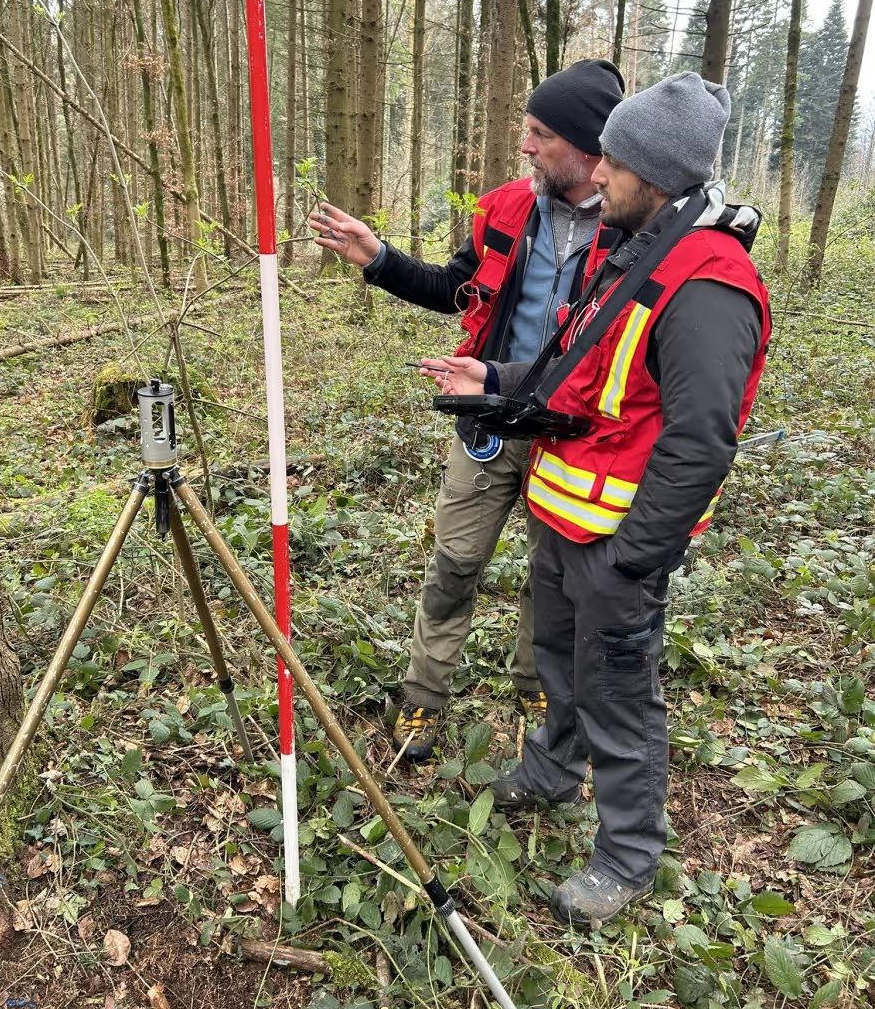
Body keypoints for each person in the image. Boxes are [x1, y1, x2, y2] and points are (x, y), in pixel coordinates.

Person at [419, 71, 772, 924]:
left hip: (617, 542)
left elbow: (699, 445)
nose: (596, 174)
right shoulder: (634, 253)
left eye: (612, 160)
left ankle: (627, 854)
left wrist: (632, 560)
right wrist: (497, 379)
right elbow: (582, 380)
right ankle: (549, 767)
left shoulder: (710, 284)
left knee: (621, 694)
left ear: (654, 173)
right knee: (559, 662)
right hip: (563, 517)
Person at [309, 60, 626, 762]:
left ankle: (536, 690)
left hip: (573, 440)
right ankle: (423, 699)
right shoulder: (506, 208)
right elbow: (457, 287)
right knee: (453, 566)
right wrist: (380, 259)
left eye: (540, 134)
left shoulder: (633, 228)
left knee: (555, 581)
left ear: (588, 148)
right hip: (487, 423)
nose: (525, 146)